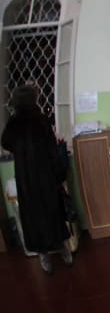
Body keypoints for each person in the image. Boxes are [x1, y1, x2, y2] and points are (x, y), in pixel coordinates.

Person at [1, 85, 72, 274]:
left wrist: (20, 150)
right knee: (53, 212)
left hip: (26, 178)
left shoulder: (14, 123)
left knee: (32, 216)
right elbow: (52, 149)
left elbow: (5, 142)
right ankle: (64, 249)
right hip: (45, 175)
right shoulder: (41, 119)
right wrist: (59, 174)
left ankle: (43, 256)